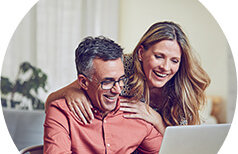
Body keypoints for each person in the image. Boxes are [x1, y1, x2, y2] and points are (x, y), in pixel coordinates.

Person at [45, 21, 211, 137]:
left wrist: (156, 119)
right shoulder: (120, 67)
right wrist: (73, 92)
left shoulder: (183, 87)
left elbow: (182, 148)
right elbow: (50, 103)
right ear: (140, 53)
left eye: (174, 60)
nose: (166, 67)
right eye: (159, 56)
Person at [44, 36, 163, 154]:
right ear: (83, 82)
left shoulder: (134, 113)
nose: (117, 90)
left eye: (121, 80)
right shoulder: (61, 112)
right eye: (107, 82)